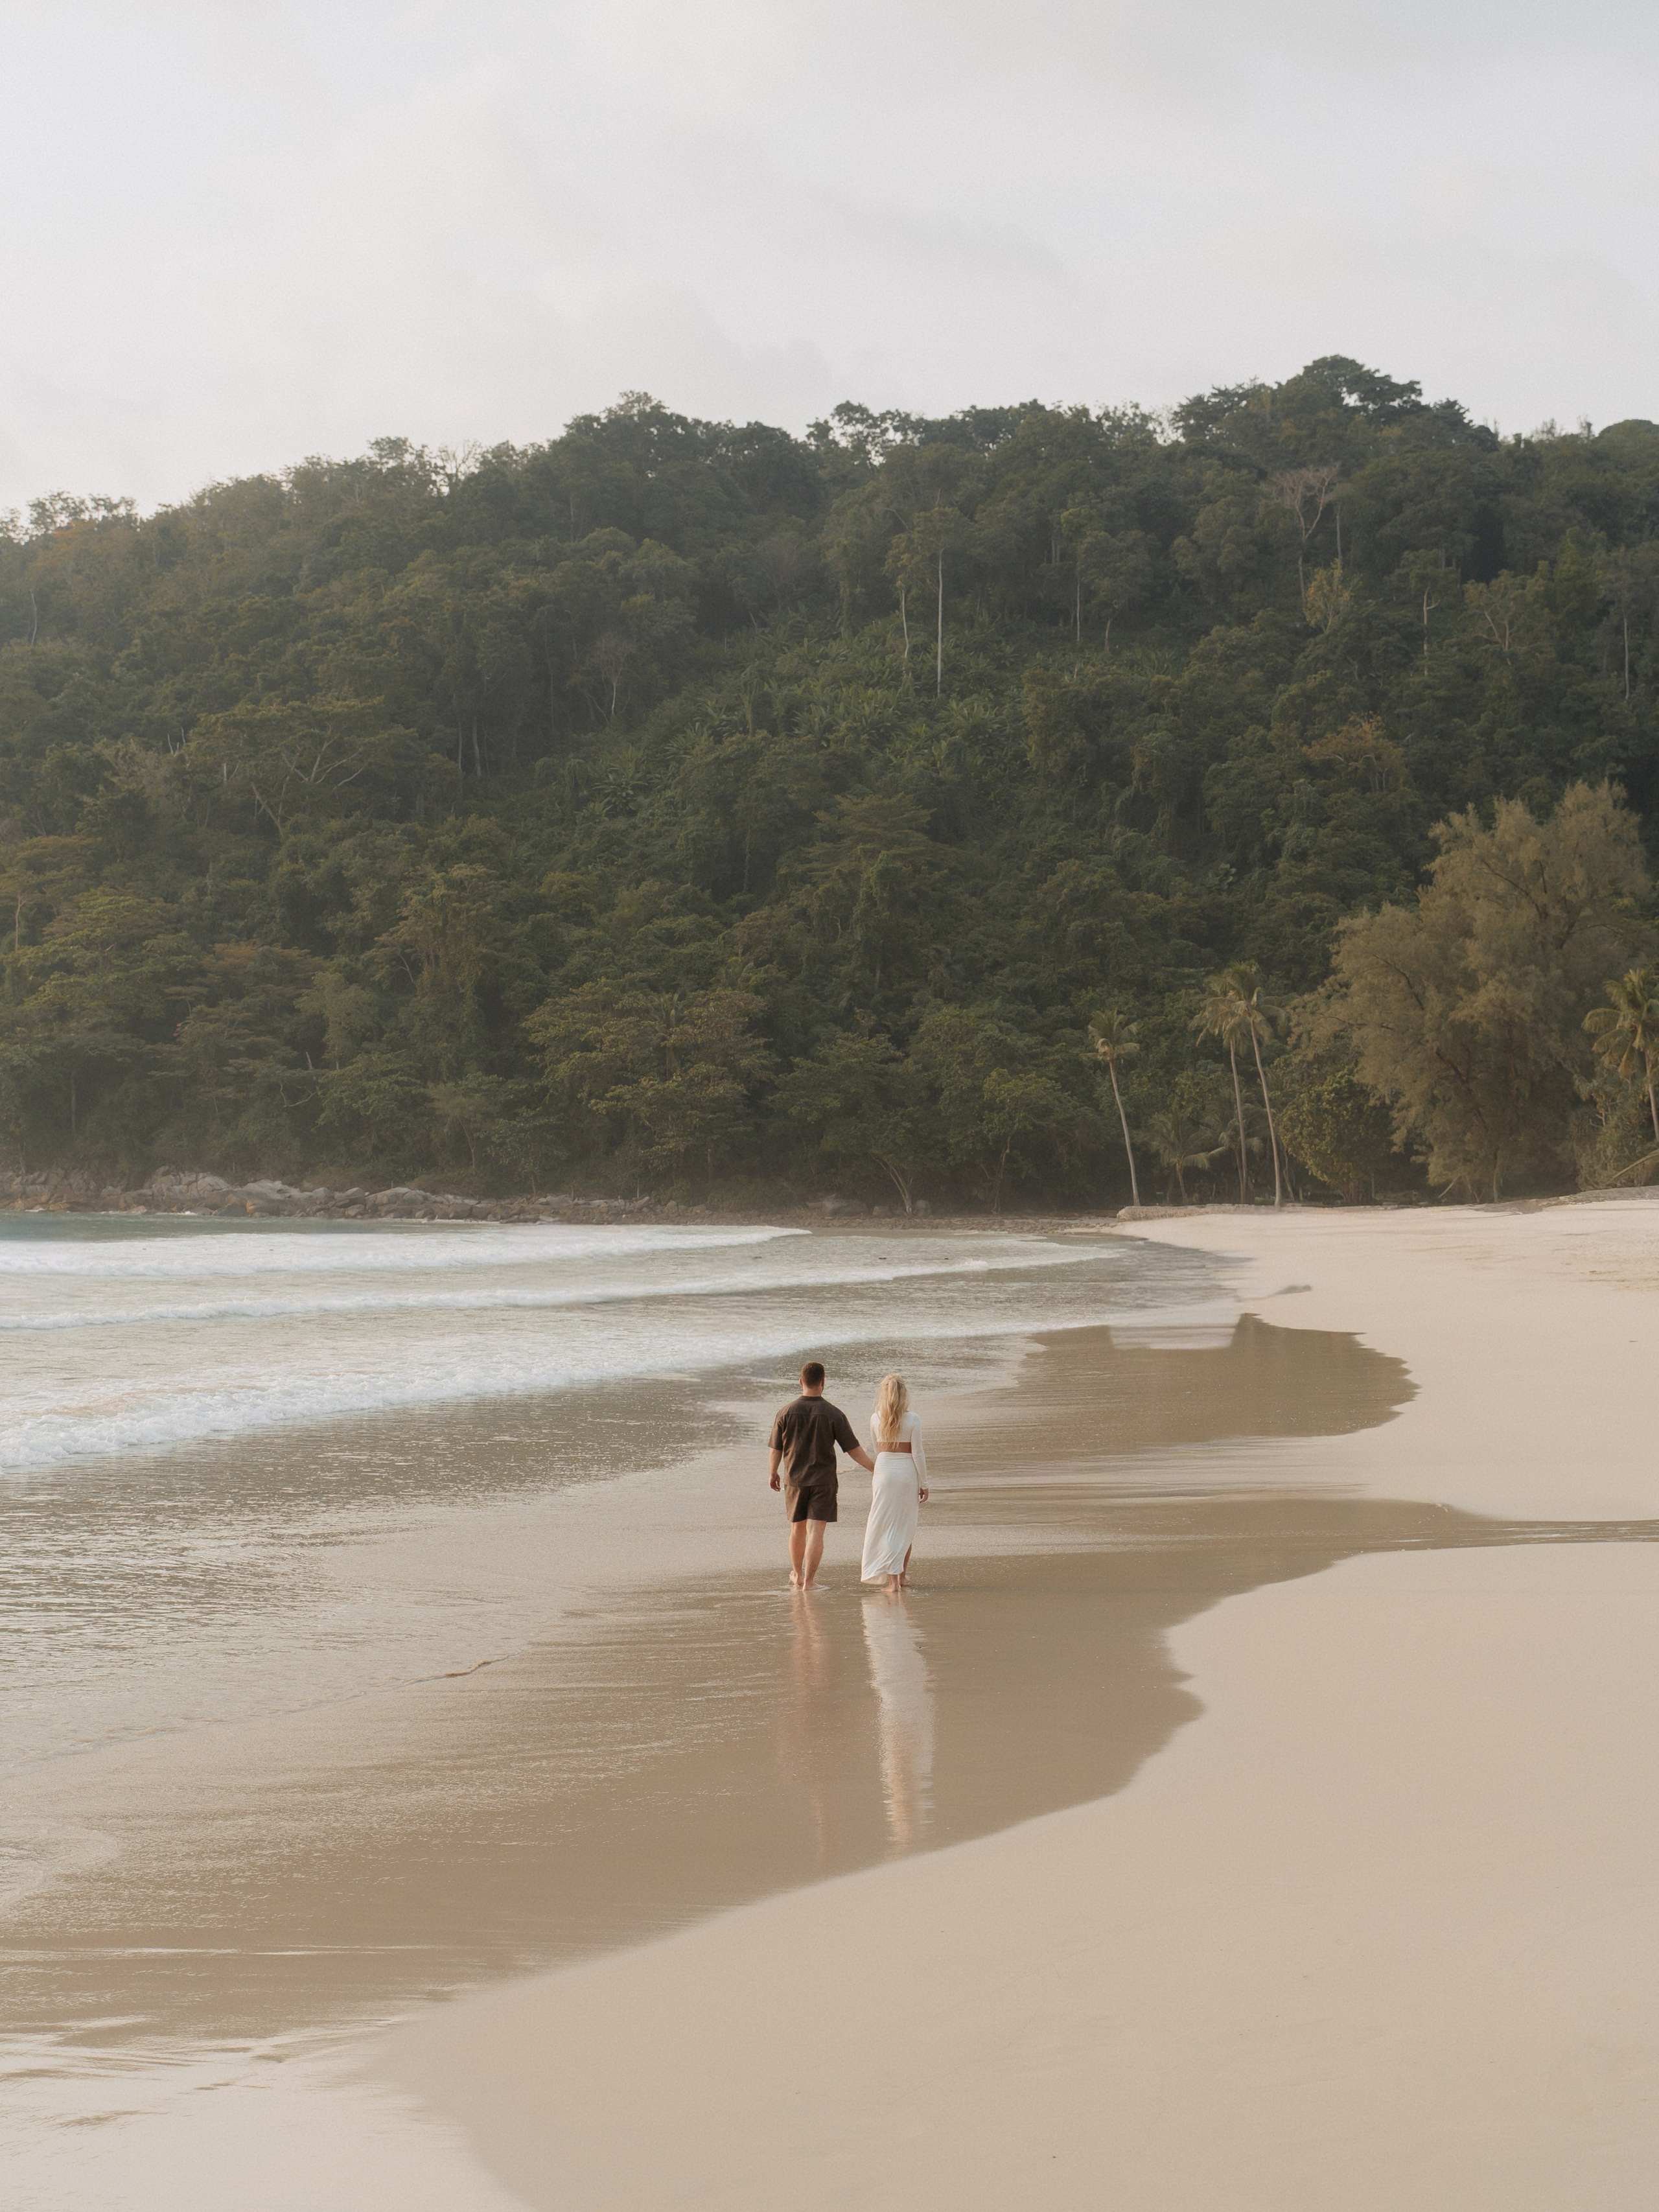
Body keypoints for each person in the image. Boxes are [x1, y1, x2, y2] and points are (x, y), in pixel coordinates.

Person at [768, 1361, 875, 1590]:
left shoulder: (785, 1412)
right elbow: (853, 1449)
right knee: (816, 1531)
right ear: (823, 1383)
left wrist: (772, 1473)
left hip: (794, 1480)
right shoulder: (833, 1414)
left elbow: (776, 1448)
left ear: (800, 1382)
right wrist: (875, 1468)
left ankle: (796, 1575)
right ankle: (809, 1582)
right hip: (824, 1481)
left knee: (797, 1529)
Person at [861, 1373, 928, 1593]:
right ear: (903, 1394)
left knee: (885, 1524)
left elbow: (877, 1449)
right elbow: (918, 1454)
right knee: (905, 1525)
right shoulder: (913, 1419)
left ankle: (893, 1582)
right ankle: (899, 1578)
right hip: (906, 1473)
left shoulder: (875, 1418)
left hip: (883, 1472)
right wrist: (924, 1483)